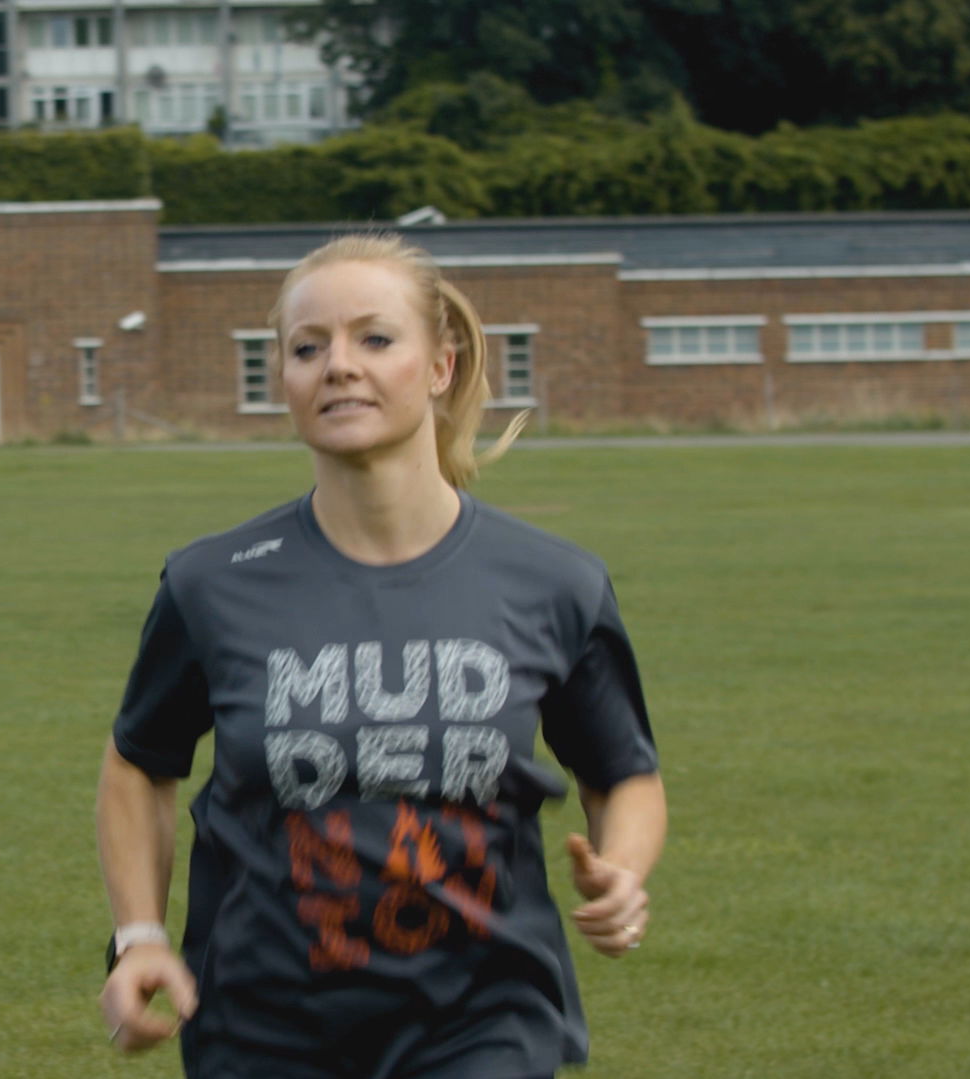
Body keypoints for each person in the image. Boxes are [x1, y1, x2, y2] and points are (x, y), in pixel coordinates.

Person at [95, 234, 666, 1079]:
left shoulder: (553, 582)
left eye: (374, 337)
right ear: (282, 378)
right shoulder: (209, 583)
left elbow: (623, 773)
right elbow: (138, 764)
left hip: (484, 1018)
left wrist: (621, 867)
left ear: (438, 366)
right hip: (260, 1024)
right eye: (306, 348)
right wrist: (139, 934)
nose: (338, 365)